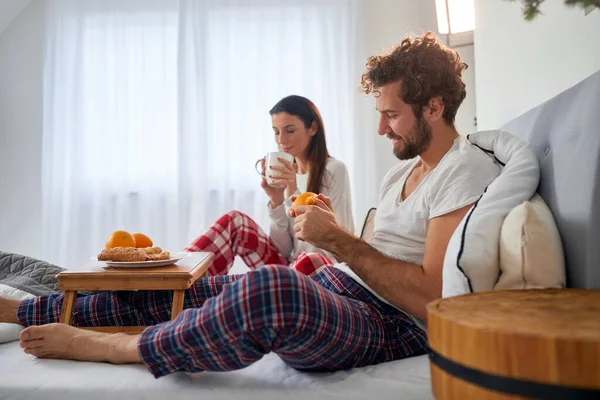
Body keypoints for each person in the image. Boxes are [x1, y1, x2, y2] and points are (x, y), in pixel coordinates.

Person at [0, 32, 500, 377]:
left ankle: (120, 347)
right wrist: (294, 215)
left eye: (390, 115)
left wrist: (338, 241)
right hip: (345, 286)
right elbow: (372, 253)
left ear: (433, 107)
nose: (380, 128)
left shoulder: (464, 170)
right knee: (205, 291)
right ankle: (23, 309)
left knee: (270, 290)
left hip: (391, 322)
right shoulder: (401, 171)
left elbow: (434, 299)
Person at [186, 95, 354, 277]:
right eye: (276, 131)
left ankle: (241, 288)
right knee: (235, 221)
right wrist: (277, 201)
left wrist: (292, 193)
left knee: (308, 259)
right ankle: (179, 277)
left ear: (312, 128)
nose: (281, 139)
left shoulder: (333, 170)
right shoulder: (291, 173)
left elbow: (325, 247)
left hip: (321, 269)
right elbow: (282, 250)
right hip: (292, 267)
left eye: (289, 130)